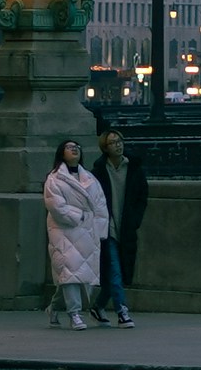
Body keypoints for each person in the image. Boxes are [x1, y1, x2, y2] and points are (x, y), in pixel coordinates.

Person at [41, 138, 110, 329]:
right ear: (61, 153)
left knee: (74, 275)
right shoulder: (54, 178)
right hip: (64, 231)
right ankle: (74, 314)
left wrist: (99, 229)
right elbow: (55, 205)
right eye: (70, 148)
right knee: (70, 272)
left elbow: (100, 204)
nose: (75, 150)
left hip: (87, 231)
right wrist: (79, 216)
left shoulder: (89, 177)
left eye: (77, 147)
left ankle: (54, 307)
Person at [95, 130, 147, 328]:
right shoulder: (99, 171)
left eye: (119, 141)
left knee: (116, 272)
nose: (118, 145)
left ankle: (98, 306)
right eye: (112, 142)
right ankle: (121, 311)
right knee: (115, 270)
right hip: (106, 228)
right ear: (105, 148)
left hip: (125, 228)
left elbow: (142, 197)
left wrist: (135, 220)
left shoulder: (133, 168)